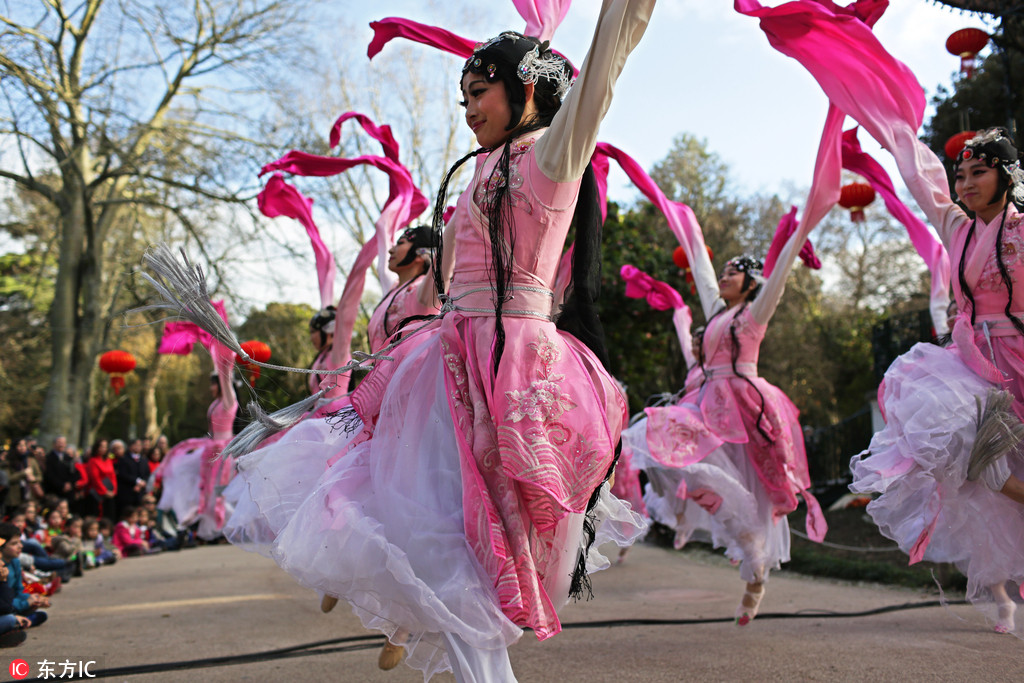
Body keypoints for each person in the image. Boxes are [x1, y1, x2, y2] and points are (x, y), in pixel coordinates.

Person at [260, 7, 654, 680]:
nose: (469, 109)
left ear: (524, 90)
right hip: (445, 365)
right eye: (464, 97)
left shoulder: (552, 156)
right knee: (443, 538)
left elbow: (607, 60)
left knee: (465, 549)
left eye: (479, 93)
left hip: (511, 368)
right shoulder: (480, 168)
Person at [851, 127, 1024, 634]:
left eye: (979, 172)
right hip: (974, 362)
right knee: (971, 458)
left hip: (1018, 354)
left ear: (1007, 176)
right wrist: (891, 133)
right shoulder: (957, 227)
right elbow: (921, 178)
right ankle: (998, 589)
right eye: (961, 175)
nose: (965, 183)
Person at [624, 244, 826, 626]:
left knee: (757, 499)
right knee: (651, 434)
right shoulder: (714, 325)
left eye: (734, 272)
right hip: (709, 412)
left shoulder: (753, 313)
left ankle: (755, 577)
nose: (724, 276)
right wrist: (685, 233)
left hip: (746, 411)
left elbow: (778, 278)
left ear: (751, 283)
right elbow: (700, 279)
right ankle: (702, 521)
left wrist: (795, 236)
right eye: (723, 272)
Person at [224, 224, 440, 563]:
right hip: (376, 401)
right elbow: (376, 265)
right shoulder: (392, 293)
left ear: (422, 253)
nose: (392, 249)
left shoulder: (426, 289)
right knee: (356, 479)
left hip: (405, 397)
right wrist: (378, 236)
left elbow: (354, 303)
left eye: (401, 242)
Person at [157, 347, 238, 541]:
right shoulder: (216, 403)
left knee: (218, 490)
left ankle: (227, 527)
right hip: (211, 448)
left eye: (213, 384)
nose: (211, 388)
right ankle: (209, 526)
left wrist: (222, 359)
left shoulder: (229, 402)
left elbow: (226, 380)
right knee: (203, 488)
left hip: (223, 451)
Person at [0, 524, 48, 628]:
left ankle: (19, 623)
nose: (20, 546)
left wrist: (34, 599)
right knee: (9, 619)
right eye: (14, 543)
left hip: (11, 604)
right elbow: (3, 604)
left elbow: (19, 590)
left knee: (41, 615)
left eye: (20, 542)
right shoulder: (1, 568)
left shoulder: (15, 562)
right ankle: (17, 624)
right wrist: (26, 603)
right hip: (5, 607)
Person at [85, 439, 117, 521]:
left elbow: (112, 476)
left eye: (105, 447)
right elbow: (95, 479)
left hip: (109, 491)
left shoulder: (108, 460)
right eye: (101, 447)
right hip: (97, 493)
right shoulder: (93, 461)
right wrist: (104, 491)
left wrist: (114, 490)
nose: (103, 449)